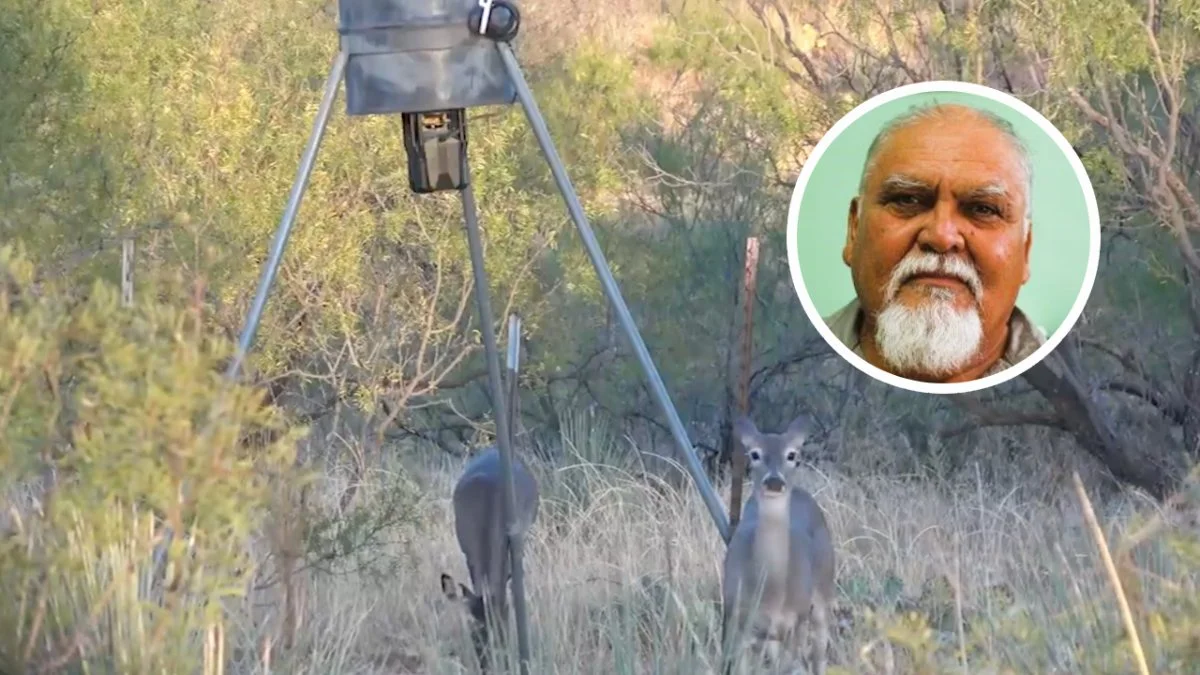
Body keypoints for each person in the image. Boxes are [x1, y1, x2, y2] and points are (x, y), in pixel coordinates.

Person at [822, 102, 1046, 383]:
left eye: (983, 209)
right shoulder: (783, 364)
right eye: (907, 200)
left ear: (1025, 251)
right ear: (854, 230)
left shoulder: (1081, 386)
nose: (942, 236)